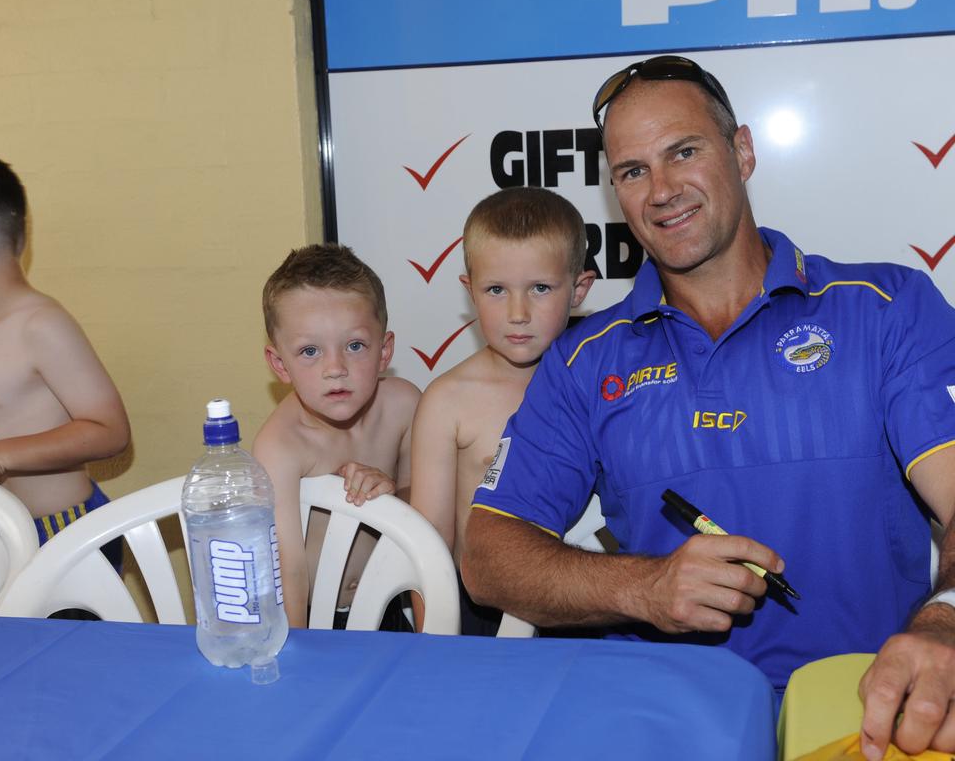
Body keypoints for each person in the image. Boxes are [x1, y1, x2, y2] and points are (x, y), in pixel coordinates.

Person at [460, 56, 955, 759]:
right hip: (670, 721)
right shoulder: (585, 360)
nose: (661, 190)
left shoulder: (888, 309)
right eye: (632, 172)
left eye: (683, 152)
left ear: (743, 151)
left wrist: (946, 621)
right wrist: (644, 587)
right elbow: (488, 555)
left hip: (870, 711)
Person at [0, 149, 130, 566]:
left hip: (65, 530)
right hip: (7, 528)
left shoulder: (41, 326)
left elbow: (109, 431)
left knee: (66, 635)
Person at [410, 186, 595, 635]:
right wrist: (433, 646)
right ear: (469, 290)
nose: (517, 312)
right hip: (479, 619)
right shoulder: (447, 401)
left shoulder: (601, 381)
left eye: (539, 288)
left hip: (586, 604)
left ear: (578, 289)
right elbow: (426, 546)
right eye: (496, 289)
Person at [253, 243, 421, 628]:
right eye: (310, 351)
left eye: (355, 346)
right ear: (280, 364)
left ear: (384, 351)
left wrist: (392, 492)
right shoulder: (280, 446)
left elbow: (427, 507)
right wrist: (300, 654)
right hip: (312, 620)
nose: (335, 368)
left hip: (387, 609)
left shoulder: (404, 406)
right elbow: (288, 569)